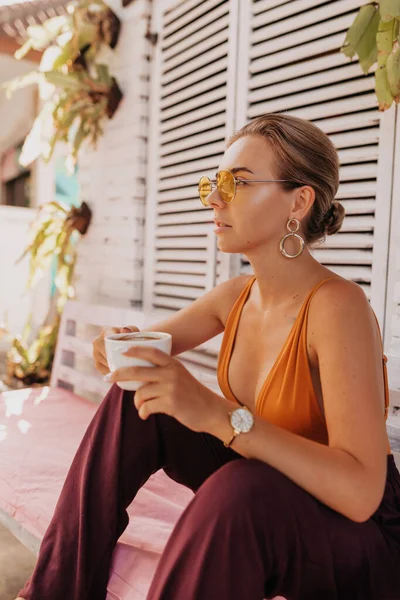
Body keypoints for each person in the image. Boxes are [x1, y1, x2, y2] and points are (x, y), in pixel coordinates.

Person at [16, 113, 400, 600]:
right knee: (133, 402)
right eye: (214, 184)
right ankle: (55, 593)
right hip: (268, 484)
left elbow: (362, 492)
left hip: (358, 533)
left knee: (239, 488)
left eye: (237, 183)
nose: (214, 200)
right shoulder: (237, 295)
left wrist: (221, 415)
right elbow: (140, 356)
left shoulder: (337, 306)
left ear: (299, 201)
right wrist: (119, 348)